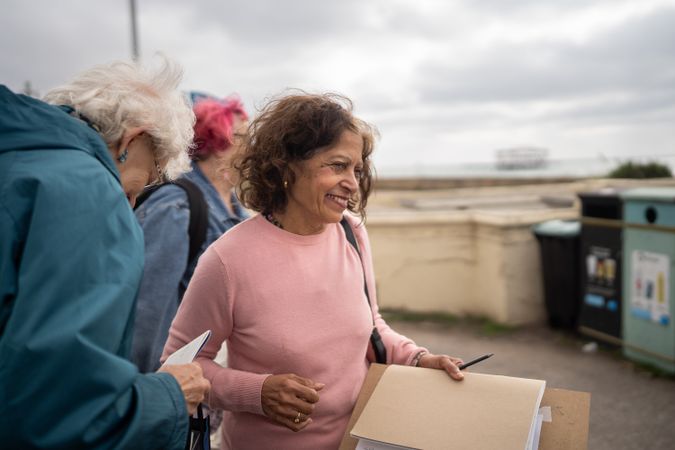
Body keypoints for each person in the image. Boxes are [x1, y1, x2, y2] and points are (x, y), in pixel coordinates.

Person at [162, 92, 465, 450]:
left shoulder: (352, 233)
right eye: (337, 166)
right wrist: (257, 393)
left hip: (358, 441)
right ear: (287, 167)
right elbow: (177, 365)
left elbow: (372, 327)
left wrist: (419, 358)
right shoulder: (228, 259)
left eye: (356, 169)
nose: (352, 182)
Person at [0, 58, 210, 449]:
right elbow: (61, 414)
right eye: (135, 189)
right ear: (132, 141)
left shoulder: (16, 156)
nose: (129, 206)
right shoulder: (89, 190)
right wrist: (168, 396)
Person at [131, 95, 249, 374]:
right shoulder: (176, 206)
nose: (254, 146)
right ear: (219, 142)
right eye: (245, 135)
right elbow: (148, 314)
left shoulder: (234, 207)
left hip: (209, 383)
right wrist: (152, 396)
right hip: (174, 385)